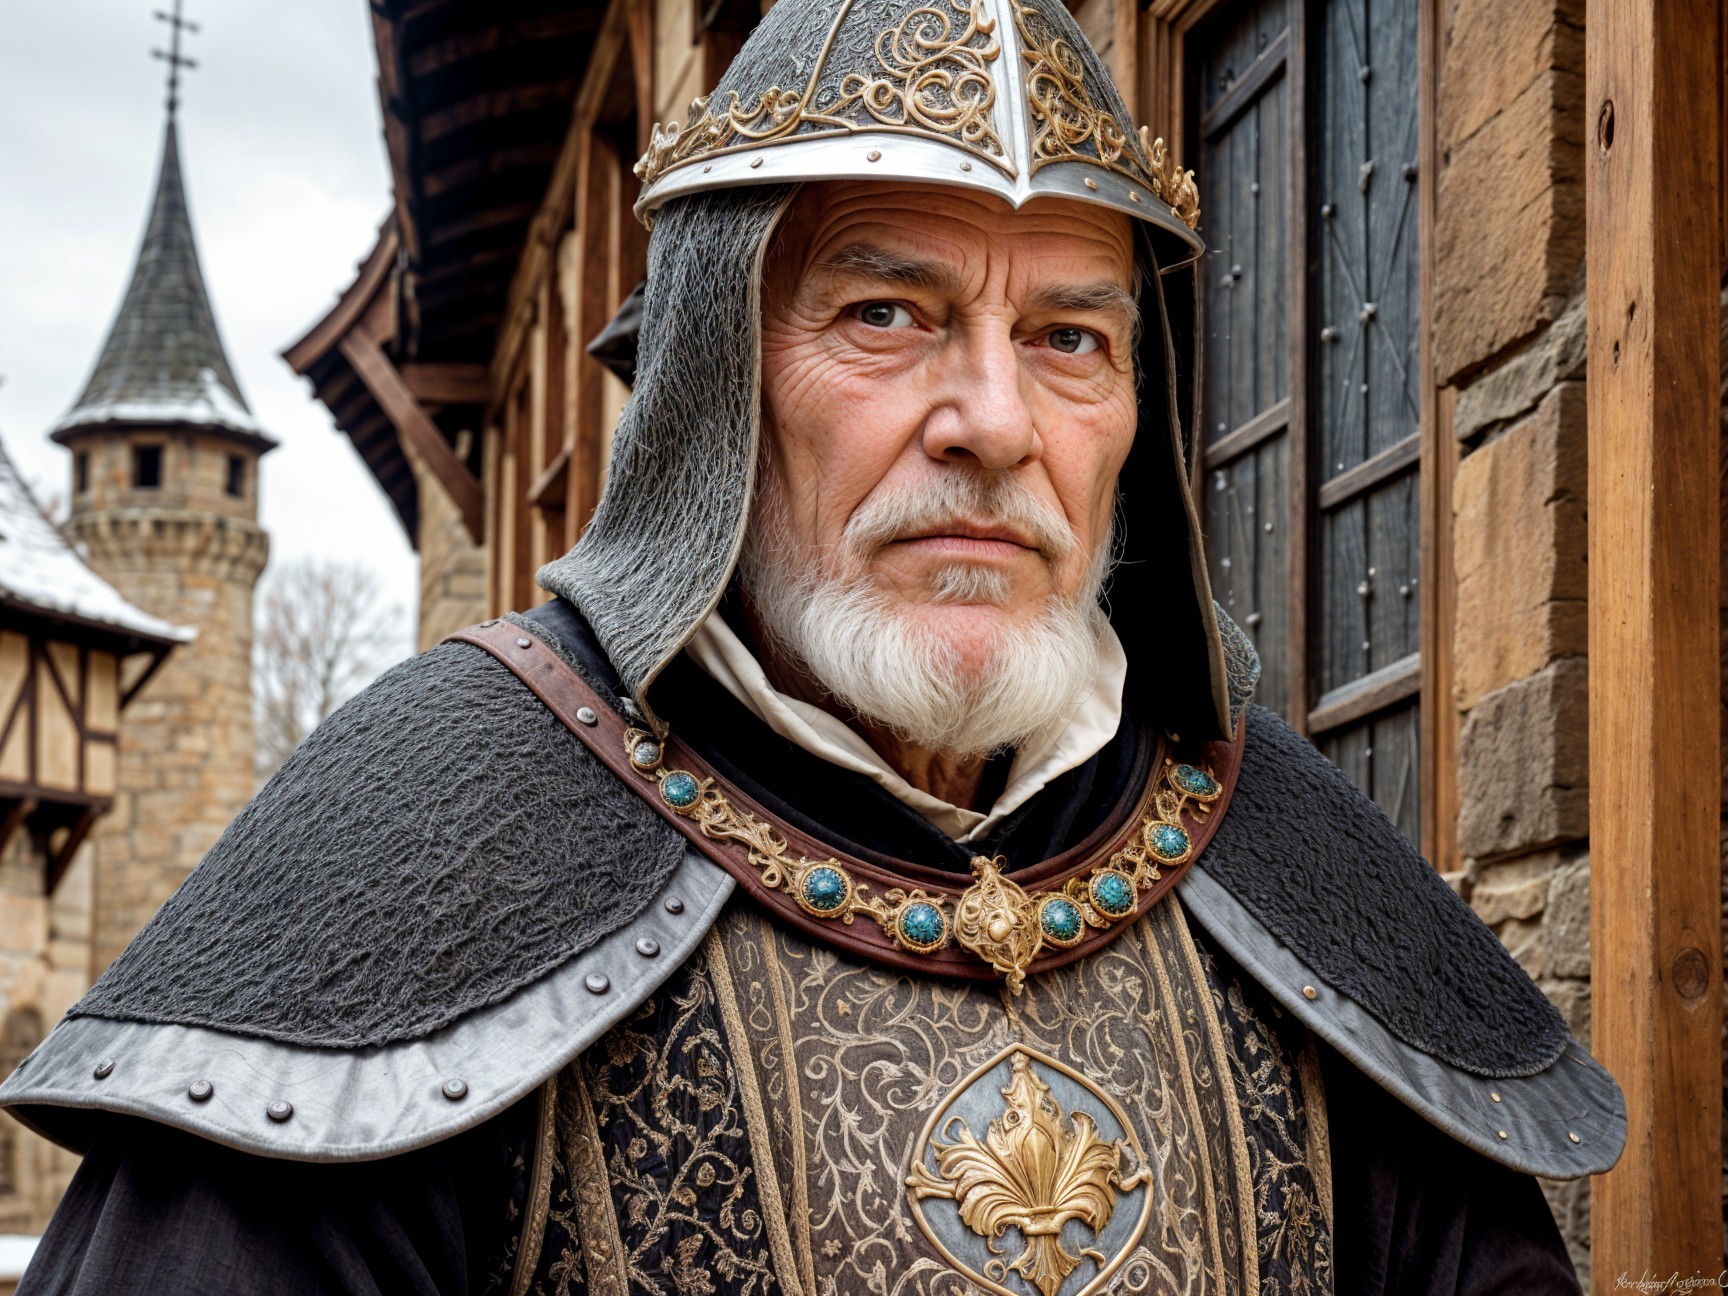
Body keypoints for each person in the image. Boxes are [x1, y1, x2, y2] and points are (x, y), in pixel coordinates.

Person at [4, 1, 1620, 1292]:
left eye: (1069, 336)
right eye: (886, 316)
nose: (995, 424)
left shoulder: (1286, 850)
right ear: (716, 388)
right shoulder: (426, 835)